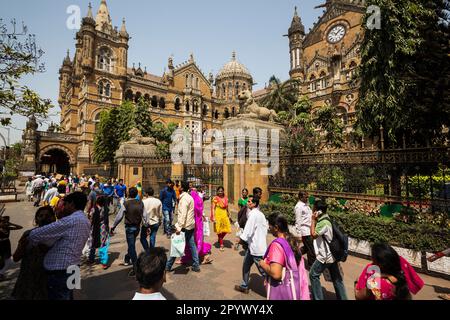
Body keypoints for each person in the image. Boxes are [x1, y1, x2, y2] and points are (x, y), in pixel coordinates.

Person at [25, 192, 91, 300]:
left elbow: (35, 235)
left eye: (65, 205)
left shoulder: (70, 220)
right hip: (74, 267)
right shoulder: (85, 220)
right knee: (69, 295)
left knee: (61, 296)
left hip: (61, 270)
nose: (64, 208)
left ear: (72, 204)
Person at [259, 213, 310, 300]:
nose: (269, 228)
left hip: (281, 293)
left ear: (276, 228)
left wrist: (262, 264)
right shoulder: (291, 240)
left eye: (270, 226)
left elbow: (276, 274)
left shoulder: (277, 245)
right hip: (294, 288)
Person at [11, 206, 56, 299]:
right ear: (36, 220)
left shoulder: (58, 236)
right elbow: (16, 258)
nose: (44, 218)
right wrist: (23, 245)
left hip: (47, 282)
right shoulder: (28, 234)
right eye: (41, 216)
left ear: (53, 218)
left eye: (48, 215)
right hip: (27, 280)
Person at [355, 243, 424, 300]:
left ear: (378, 264)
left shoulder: (375, 281)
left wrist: (356, 283)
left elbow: (359, 296)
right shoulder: (401, 282)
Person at [309, 200, 348, 300]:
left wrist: (313, 220)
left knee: (313, 274)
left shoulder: (323, 223)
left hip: (325, 256)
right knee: (337, 279)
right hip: (332, 255)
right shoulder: (326, 219)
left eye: (314, 208)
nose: (312, 210)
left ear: (318, 211)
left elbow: (313, 235)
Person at [234, 196, 268, 294]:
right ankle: (244, 285)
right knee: (246, 266)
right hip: (253, 246)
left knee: (264, 272)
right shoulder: (260, 214)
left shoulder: (253, 215)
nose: (247, 203)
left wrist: (240, 239)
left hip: (257, 249)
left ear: (254, 204)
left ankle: (277, 288)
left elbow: (248, 231)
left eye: (249, 201)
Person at [166, 181, 200, 273]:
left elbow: (183, 214)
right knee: (192, 245)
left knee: (177, 244)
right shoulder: (189, 197)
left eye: (180, 186)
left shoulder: (184, 199)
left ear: (182, 188)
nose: (178, 187)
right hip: (190, 224)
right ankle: (196, 264)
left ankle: (168, 266)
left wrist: (179, 227)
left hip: (185, 225)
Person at [111, 187, 144, 276]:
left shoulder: (126, 203)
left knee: (132, 246)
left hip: (129, 228)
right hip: (137, 227)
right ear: (137, 194)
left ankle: (136, 267)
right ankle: (127, 258)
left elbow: (119, 216)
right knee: (131, 244)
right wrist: (147, 226)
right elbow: (145, 216)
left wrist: (113, 226)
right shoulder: (141, 203)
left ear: (129, 194)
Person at [180, 187, 213, 265]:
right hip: (199, 223)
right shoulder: (199, 200)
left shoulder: (191, 200)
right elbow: (201, 211)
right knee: (198, 240)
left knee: (191, 241)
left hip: (193, 223)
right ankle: (205, 256)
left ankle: (191, 258)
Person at [87, 196, 110, 269]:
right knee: (103, 245)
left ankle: (91, 259)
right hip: (103, 228)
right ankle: (104, 262)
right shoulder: (106, 209)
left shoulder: (93, 209)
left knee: (93, 243)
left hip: (95, 229)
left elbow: (90, 220)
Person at [295, 191, 315, 268]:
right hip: (305, 231)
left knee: (307, 248)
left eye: (307, 197)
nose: (307, 198)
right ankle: (311, 266)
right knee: (311, 249)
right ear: (300, 197)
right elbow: (298, 221)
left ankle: (294, 255)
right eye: (305, 197)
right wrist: (299, 234)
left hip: (309, 230)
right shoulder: (299, 207)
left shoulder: (306, 205)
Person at [0, 216, 23, 282]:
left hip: (6, 244)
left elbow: (20, 227)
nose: (5, 223)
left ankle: (1, 274)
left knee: (7, 259)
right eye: (3, 222)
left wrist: (11, 224)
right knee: (1, 260)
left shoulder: (7, 228)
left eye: (6, 222)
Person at [141, 187, 163, 251]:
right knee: (152, 237)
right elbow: (160, 213)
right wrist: (160, 220)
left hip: (146, 222)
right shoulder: (158, 201)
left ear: (147, 194)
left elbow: (142, 213)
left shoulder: (143, 202)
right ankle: (152, 251)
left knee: (142, 238)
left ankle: (147, 250)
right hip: (155, 222)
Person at [211, 186, 231, 251]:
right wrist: (213, 216)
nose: (220, 192)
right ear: (217, 191)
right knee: (219, 229)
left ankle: (220, 238)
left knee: (226, 229)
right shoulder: (215, 198)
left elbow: (227, 207)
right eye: (219, 191)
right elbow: (213, 208)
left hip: (224, 214)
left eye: (221, 191)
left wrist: (228, 214)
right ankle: (221, 244)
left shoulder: (226, 198)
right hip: (218, 214)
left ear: (223, 191)